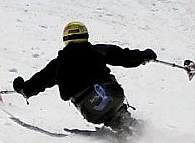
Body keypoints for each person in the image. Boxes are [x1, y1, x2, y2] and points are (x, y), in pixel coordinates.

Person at [13, 21, 157, 131]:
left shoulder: (58, 64)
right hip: (112, 94)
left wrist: (22, 88)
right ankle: (131, 129)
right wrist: (144, 56)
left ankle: (125, 133)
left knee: (106, 114)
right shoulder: (97, 50)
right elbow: (125, 57)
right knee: (115, 111)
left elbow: (38, 82)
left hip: (89, 108)